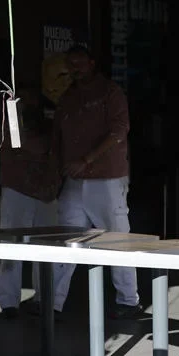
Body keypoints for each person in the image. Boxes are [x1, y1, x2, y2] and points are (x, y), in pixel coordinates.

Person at [51, 45, 140, 318]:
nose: (75, 69)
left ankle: (128, 299)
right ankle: (52, 302)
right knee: (67, 238)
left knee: (117, 238)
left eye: (79, 63)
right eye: (71, 64)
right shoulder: (68, 97)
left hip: (106, 177)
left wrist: (87, 160)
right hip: (75, 179)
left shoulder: (110, 92)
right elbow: (58, 138)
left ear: (92, 63)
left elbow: (119, 131)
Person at [0, 90, 61, 316]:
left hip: (45, 190)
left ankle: (44, 299)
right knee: (12, 247)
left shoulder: (46, 121)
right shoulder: (13, 120)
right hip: (19, 188)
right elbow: (34, 147)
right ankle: (8, 302)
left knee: (46, 249)